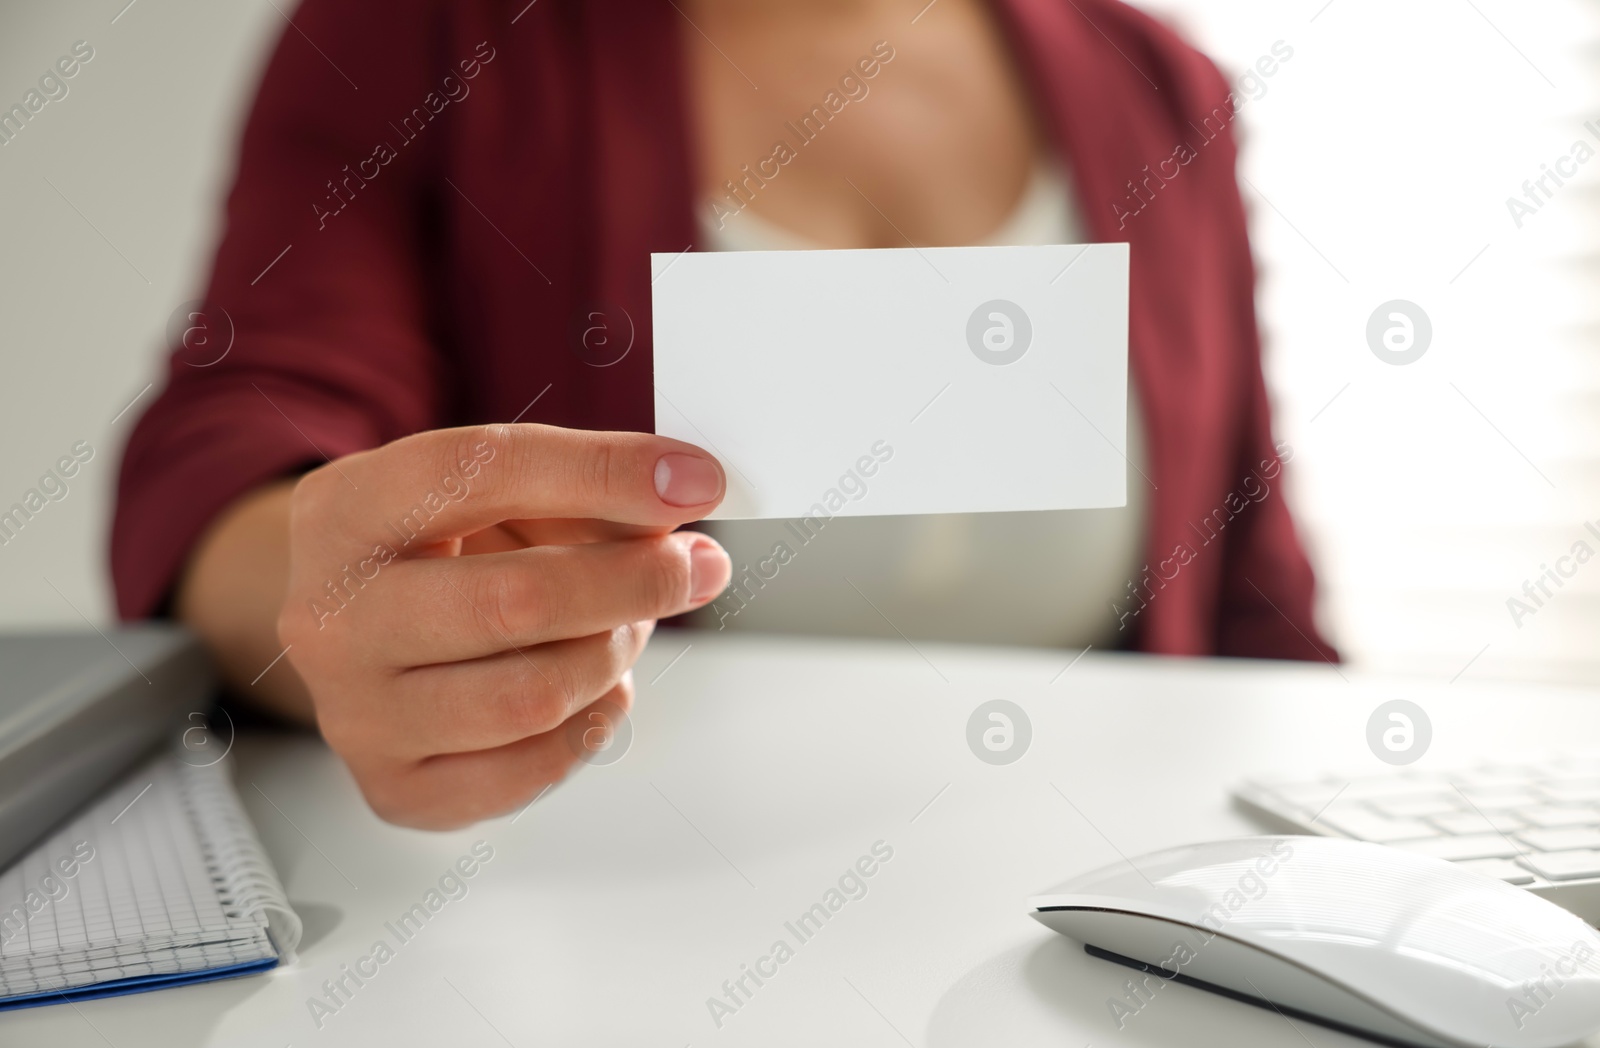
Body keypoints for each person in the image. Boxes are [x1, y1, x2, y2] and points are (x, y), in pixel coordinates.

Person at [112, 0, 1335, 829]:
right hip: (592, 934)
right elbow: (243, 427)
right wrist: (328, 592)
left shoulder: (1163, 90)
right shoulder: (428, 32)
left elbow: (1258, 595)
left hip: (1089, 938)